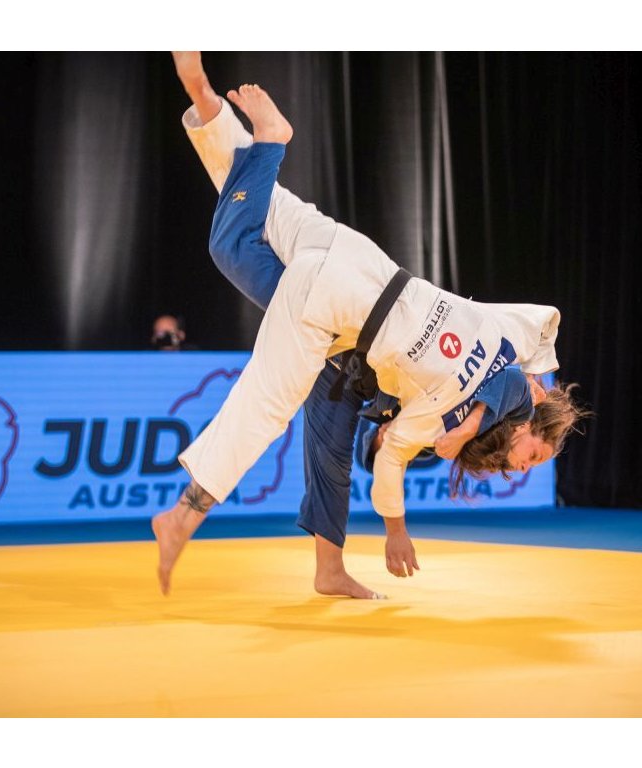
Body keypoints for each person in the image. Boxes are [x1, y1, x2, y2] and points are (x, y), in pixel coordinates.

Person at [153, 52, 586, 596]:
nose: (524, 468)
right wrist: (401, 524)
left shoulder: (499, 342)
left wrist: (507, 398)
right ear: (529, 421)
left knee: (245, 227)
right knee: (263, 405)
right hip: (338, 308)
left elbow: (541, 327)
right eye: (535, 456)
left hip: (359, 260)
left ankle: (202, 95)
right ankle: (183, 516)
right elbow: (509, 382)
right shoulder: (472, 397)